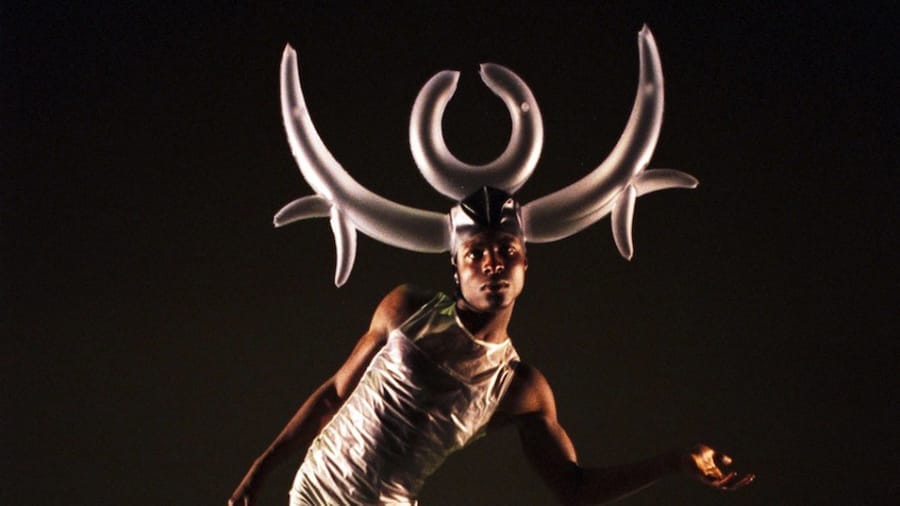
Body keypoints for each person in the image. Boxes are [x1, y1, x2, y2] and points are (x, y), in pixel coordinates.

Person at [228, 188, 754, 505]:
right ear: (455, 269)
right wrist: (259, 471)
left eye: (507, 251)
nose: (492, 263)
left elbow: (574, 489)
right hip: (313, 494)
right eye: (475, 253)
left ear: (526, 264)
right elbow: (332, 396)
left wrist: (674, 462)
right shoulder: (405, 308)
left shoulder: (520, 387)